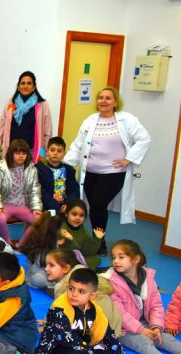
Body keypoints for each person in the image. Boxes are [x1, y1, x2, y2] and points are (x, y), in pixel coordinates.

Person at [63, 87, 151, 249]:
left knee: (98, 204)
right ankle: (91, 238)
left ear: (115, 102)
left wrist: (129, 158)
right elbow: (78, 144)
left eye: (108, 98)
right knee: (92, 206)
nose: (104, 101)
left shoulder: (127, 120)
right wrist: (66, 164)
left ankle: (100, 241)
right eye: (101, 97)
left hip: (113, 173)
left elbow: (144, 139)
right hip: (89, 172)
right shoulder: (90, 120)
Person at [35, 268, 131, 354]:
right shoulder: (59, 308)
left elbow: (107, 334)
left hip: (83, 348)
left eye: (81, 291)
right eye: (71, 288)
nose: (74, 294)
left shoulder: (95, 311)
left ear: (92, 295)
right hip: (57, 350)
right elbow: (67, 338)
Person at [105, 240, 181, 354]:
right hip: (121, 330)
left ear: (136, 259)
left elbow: (156, 305)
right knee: (144, 343)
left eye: (121, 257)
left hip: (144, 322)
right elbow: (120, 314)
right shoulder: (111, 282)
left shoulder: (148, 278)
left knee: (165, 338)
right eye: (114, 257)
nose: (116, 261)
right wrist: (141, 330)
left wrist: (156, 326)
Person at [48, 249, 122, 333]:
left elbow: (59, 310)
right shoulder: (84, 273)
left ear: (66, 268)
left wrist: (50, 324)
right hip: (111, 328)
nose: (46, 269)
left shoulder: (64, 287)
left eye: (51, 265)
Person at [0, 71, 51, 163]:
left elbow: (47, 133)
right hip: (11, 152)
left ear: (34, 87)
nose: (25, 86)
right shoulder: (10, 103)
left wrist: (43, 155)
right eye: (23, 83)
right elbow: (1, 128)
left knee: (31, 177)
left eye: (29, 83)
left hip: (32, 153)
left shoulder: (43, 105)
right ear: (18, 86)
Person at [0, 139, 42, 247]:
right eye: (17, 153)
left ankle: (21, 244)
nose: (21, 156)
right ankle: (8, 243)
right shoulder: (2, 167)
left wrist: (36, 208)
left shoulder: (31, 169)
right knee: (0, 218)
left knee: (39, 220)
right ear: (11, 153)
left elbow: (35, 190)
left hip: (23, 205)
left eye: (23, 153)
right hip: (6, 205)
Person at [36, 137, 79, 212]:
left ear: (64, 154)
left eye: (59, 151)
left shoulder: (69, 170)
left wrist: (68, 205)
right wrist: (57, 207)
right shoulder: (40, 169)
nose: (55, 153)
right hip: (47, 207)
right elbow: (42, 192)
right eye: (52, 150)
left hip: (66, 206)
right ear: (47, 152)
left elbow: (74, 190)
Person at [59, 199, 104, 269]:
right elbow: (68, 253)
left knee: (97, 258)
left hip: (77, 259)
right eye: (74, 214)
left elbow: (89, 252)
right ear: (66, 214)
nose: (77, 218)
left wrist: (97, 239)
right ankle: (80, 268)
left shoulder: (83, 230)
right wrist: (70, 240)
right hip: (64, 258)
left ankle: (79, 268)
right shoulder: (62, 229)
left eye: (81, 215)